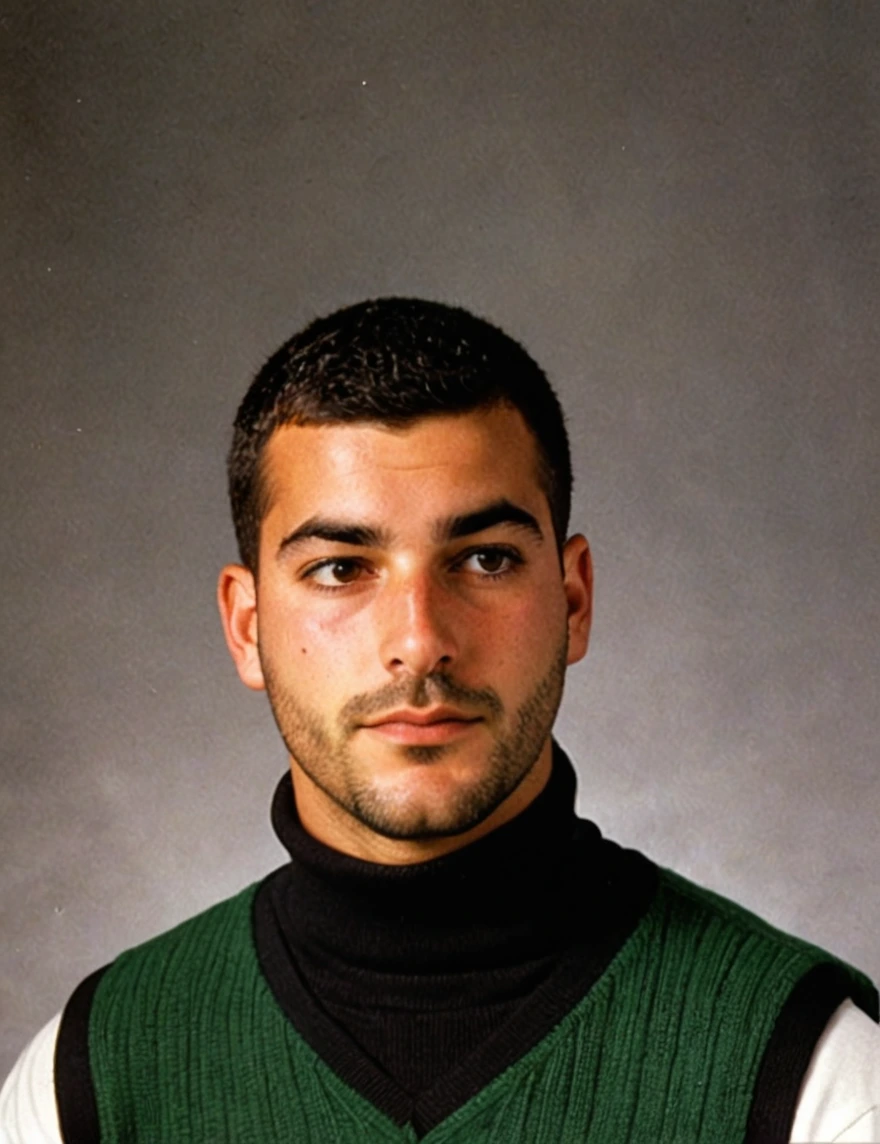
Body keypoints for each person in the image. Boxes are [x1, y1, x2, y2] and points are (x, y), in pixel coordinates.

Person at [2, 297, 879, 1143]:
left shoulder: (815, 1074)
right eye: (343, 569)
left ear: (573, 601)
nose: (419, 642)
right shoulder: (85, 1087)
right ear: (247, 625)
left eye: (486, 559)